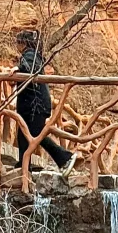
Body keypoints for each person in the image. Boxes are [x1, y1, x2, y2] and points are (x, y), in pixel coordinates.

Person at [12, 31, 74, 173]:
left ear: (23, 43)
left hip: (35, 104)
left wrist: (18, 69)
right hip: (34, 103)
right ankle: (23, 164)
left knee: (35, 134)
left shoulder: (29, 56)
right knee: (23, 133)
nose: (16, 46)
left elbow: (30, 69)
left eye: (18, 42)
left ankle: (65, 157)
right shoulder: (34, 55)